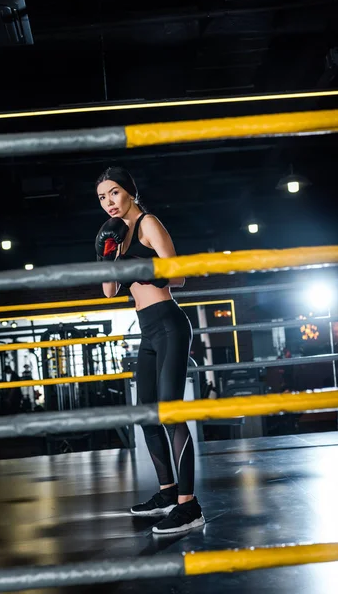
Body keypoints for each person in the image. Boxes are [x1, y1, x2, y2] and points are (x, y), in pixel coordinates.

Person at [95, 166, 204, 534]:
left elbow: (178, 276)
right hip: (148, 330)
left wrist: (145, 268)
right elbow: (110, 292)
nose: (108, 202)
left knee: (170, 413)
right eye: (102, 197)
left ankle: (190, 507)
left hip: (170, 324)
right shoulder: (118, 236)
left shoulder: (148, 224)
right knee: (146, 414)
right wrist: (105, 255)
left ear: (130, 191)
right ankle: (167, 493)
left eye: (113, 193)